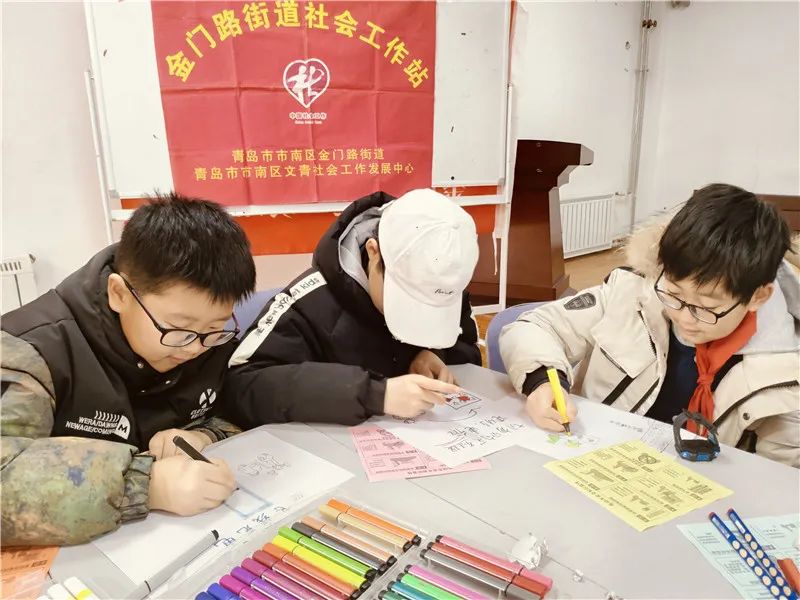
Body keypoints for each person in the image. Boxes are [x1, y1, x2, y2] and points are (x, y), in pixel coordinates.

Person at [1, 193, 257, 545]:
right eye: (179, 328)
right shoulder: (30, 351)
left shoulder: (209, 340)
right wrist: (145, 484)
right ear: (119, 294)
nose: (195, 348)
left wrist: (204, 436)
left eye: (215, 327)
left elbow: (239, 406)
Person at [500, 184, 799, 467]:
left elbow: (778, 478)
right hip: (593, 460)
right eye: (675, 294)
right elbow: (536, 326)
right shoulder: (631, 293)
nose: (684, 318)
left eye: (706, 308)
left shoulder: (785, 373)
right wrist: (541, 380)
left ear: (758, 297)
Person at [226, 189, 481, 427]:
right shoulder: (310, 303)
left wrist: (431, 352)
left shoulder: (446, 284)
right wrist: (373, 394)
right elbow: (241, 384)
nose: (420, 314)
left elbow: (467, 353)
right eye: (406, 300)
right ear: (373, 252)